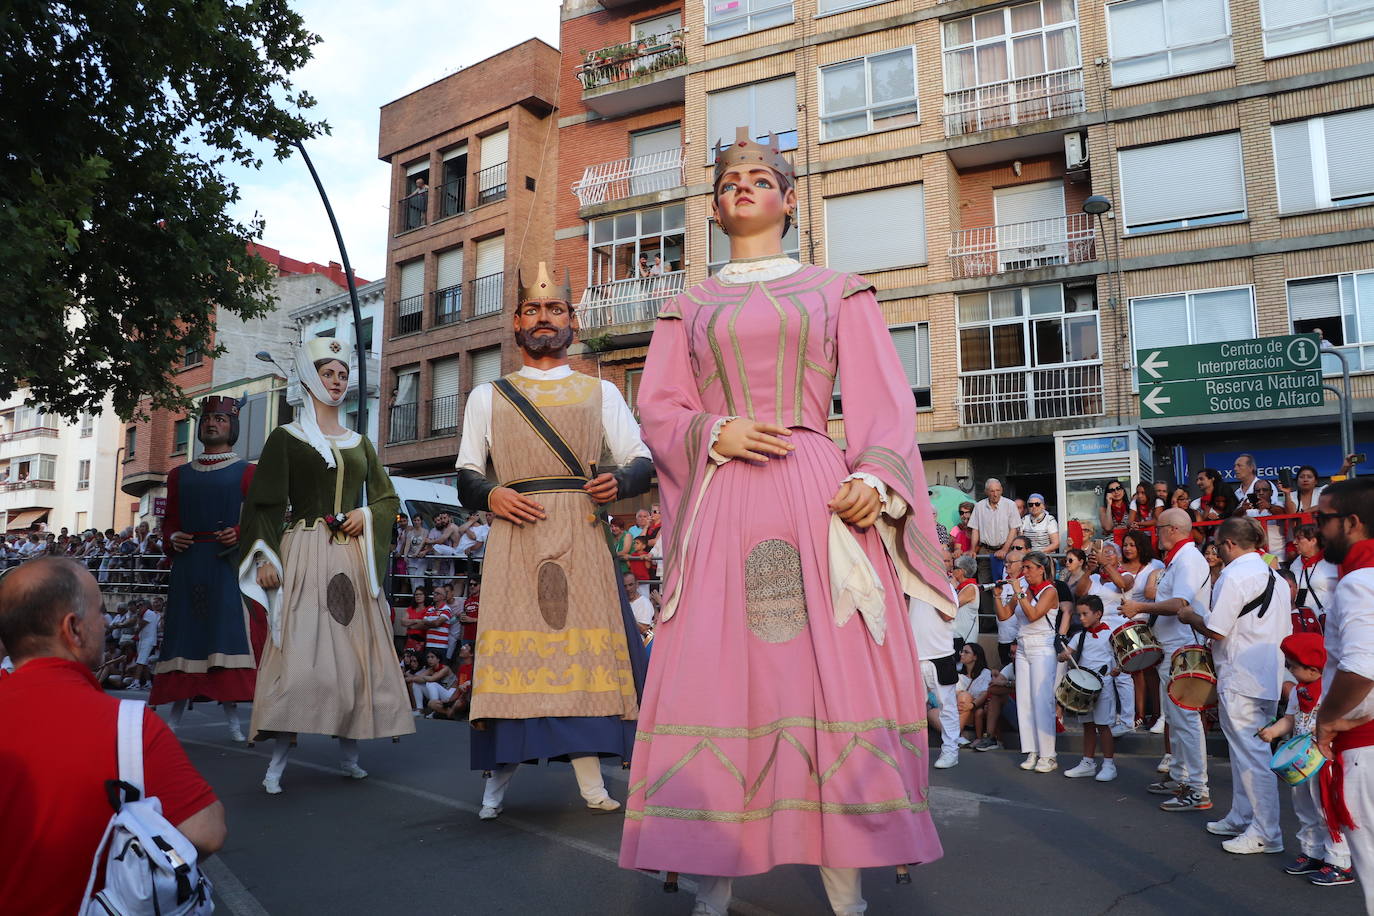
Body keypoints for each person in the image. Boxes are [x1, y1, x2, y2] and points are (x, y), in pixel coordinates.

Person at [621, 128, 949, 915]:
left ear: (790, 199)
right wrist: (710, 432)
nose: (744, 186)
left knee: (830, 673)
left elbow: (883, 404)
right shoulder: (686, 305)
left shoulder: (841, 291)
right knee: (718, 669)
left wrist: (873, 476)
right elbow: (659, 406)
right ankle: (713, 874)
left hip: (816, 491)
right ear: (711, 206)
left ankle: (847, 878)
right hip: (723, 493)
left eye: (761, 177)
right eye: (731, 180)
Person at [454, 261, 653, 821]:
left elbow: (641, 458)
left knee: (580, 661)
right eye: (534, 310)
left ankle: (592, 783)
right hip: (517, 537)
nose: (545, 319)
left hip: (583, 534)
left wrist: (624, 480)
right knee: (514, 662)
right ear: (517, 321)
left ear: (573, 321)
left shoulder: (602, 392)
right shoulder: (485, 396)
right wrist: (490, 495)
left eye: (556, 310)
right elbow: (467, 473)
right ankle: (496, 782)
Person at [238, 335, 414, 794]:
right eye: (327, 374)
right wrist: (264, 556)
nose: (336, 382)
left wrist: (367, 513)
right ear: (308, 377)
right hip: (303, 551)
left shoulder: (359, 443)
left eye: (341, 375)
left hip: (351, 559)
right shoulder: (287, 438)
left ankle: (350, 752)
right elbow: (264, 503)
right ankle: (277, 762)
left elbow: (386, 496)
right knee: (298, 655)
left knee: (355, 658)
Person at [0, 558, 226, 913]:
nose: (106, 623)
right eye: (100, 612)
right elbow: (206, 832)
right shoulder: (131, 725)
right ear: (72, 628)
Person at [149, 395, 263, 742]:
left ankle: (232, 719)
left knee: (223, 635)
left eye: (221, 419)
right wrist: (173, 538)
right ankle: (175, 718)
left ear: (233, 427)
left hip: (225, 564)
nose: (212, 423)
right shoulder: (178, 475)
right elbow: (169, 523)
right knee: (186, 636)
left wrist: (240, 533)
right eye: (207, 419)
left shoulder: (248, 473)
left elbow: (261, 520)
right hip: (189, 566)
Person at [1180, 517, 1292, 853]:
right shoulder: (1275, 575)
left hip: (1241, 673)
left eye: (1217, 544)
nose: (1215, 550)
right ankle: (1243, 816)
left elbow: (1216, 629)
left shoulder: (1234, 575)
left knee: (1253, 755)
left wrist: (1189, 618)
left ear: (1229, 544)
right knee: (1245, 752)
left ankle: (1265, 832)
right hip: (1267, 673)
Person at [1120, 507, 1213, 812]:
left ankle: (1198, 789)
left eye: (1158, 528)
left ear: (1173, 530)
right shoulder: (1180, 560)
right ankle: (1181, 777)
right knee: (1176, 719)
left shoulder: (1188, 560)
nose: (1155, 533)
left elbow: (1179, 604)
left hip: (1183, 650)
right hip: (1172, 649)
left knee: (1186, 721)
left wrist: (1139, 607)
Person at [1313, 478, 1374, 911]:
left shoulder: (1357, 583)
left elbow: (1359, 669)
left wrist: (1328, 720)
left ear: (1352, 522)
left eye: (1323, 519)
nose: (1317, 529)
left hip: (1363, 747)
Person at [1258, 633, 1353, 885]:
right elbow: (1290, 719)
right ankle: (1312, 852)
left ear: (1312, 669)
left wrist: (1324, 728)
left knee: (1327, 810)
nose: (1289, 670)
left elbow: (1343, 723)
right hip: (1302, 762)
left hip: (1324, 760)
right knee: (1304, 808)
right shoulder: (1298, 691)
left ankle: (1339, 860)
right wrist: (1273, 731)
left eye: (1292, 666)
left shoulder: (1332, 691)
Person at [1060, 594, 1126, 782]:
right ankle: (1087, 762)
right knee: (1088, 725)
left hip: (1103, 686)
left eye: (1085, 614)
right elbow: (1066, 653)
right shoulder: (1079, 636)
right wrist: (1062, 655)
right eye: (1079, 615)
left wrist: (1117, 669)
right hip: (1084, 686)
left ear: (1098, 614)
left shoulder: (1111, 634)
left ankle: (1108, 764)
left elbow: (1121, 657)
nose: (1081, 618)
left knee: (1103, 726)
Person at [912, 582, 959, 770]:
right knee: (913, 709)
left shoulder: (945, 586)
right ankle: (912, 752)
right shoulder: (910, 583)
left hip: (940, 655)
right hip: (915, 654)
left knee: (947, 707)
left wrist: (932, 588)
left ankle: (950, 751)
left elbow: (948, 614)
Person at [970, 478, 1021, 581]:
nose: (995, 494)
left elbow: (1013, 529)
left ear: (1001, 490)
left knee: (1004, 581)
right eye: (992, 491)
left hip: (1005, 549)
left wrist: (1005, 549)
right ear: (986, 492)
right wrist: (972, 549)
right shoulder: (979, 506)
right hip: (985, 550)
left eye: (997, 490)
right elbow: (975, 530)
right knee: (984, 582)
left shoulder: (1010, 505)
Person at [993, 535, 1031, 667]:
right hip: (1003, 639)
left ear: (1021, 564)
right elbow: (1001, 615)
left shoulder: (1026, 583)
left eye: (1010, 562)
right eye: (1006, 562)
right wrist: (996, 596)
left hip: (1018, 641)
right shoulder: (1004, 581)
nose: (1006, 565)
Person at [955, 642, 991, 742]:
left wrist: (972, 705)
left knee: (965, 697)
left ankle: (956, 735)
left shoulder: (985, 673)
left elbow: (984, 693)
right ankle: (957, 735)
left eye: (966, 652)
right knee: (962, 696)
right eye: (961, 651)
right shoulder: (958, 675)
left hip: (975, 710)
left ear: (975, 657)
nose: (962, 654)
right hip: (960, 710)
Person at [952, 554, 980, 652]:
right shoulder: (962, 587)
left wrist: (952, 586)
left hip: (964, 638)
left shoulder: (970, 588)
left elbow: (952, 605)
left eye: (954, 568)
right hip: (957, 636)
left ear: (961, 571)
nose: (952, 570)